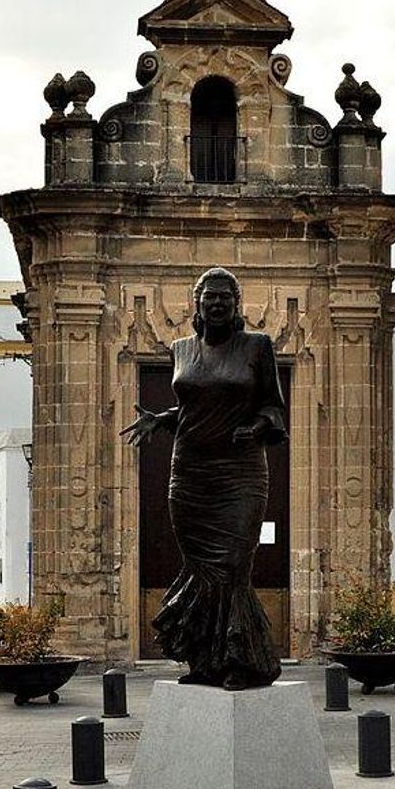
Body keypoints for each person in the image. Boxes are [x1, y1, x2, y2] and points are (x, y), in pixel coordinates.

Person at [122, 267, 285, 690]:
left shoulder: (256, 347)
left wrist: (257, 427)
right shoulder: (180, 349)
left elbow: (273, 407)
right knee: (200, 568)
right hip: (190, 474)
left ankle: (245, 661)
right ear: (196, 304)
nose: (216, 303)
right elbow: (195, 409)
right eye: (208, 297)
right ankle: (205, 661)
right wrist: (162, 419)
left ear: (236, 304)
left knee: (232, 567)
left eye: (224, 297)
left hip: (240, 472)